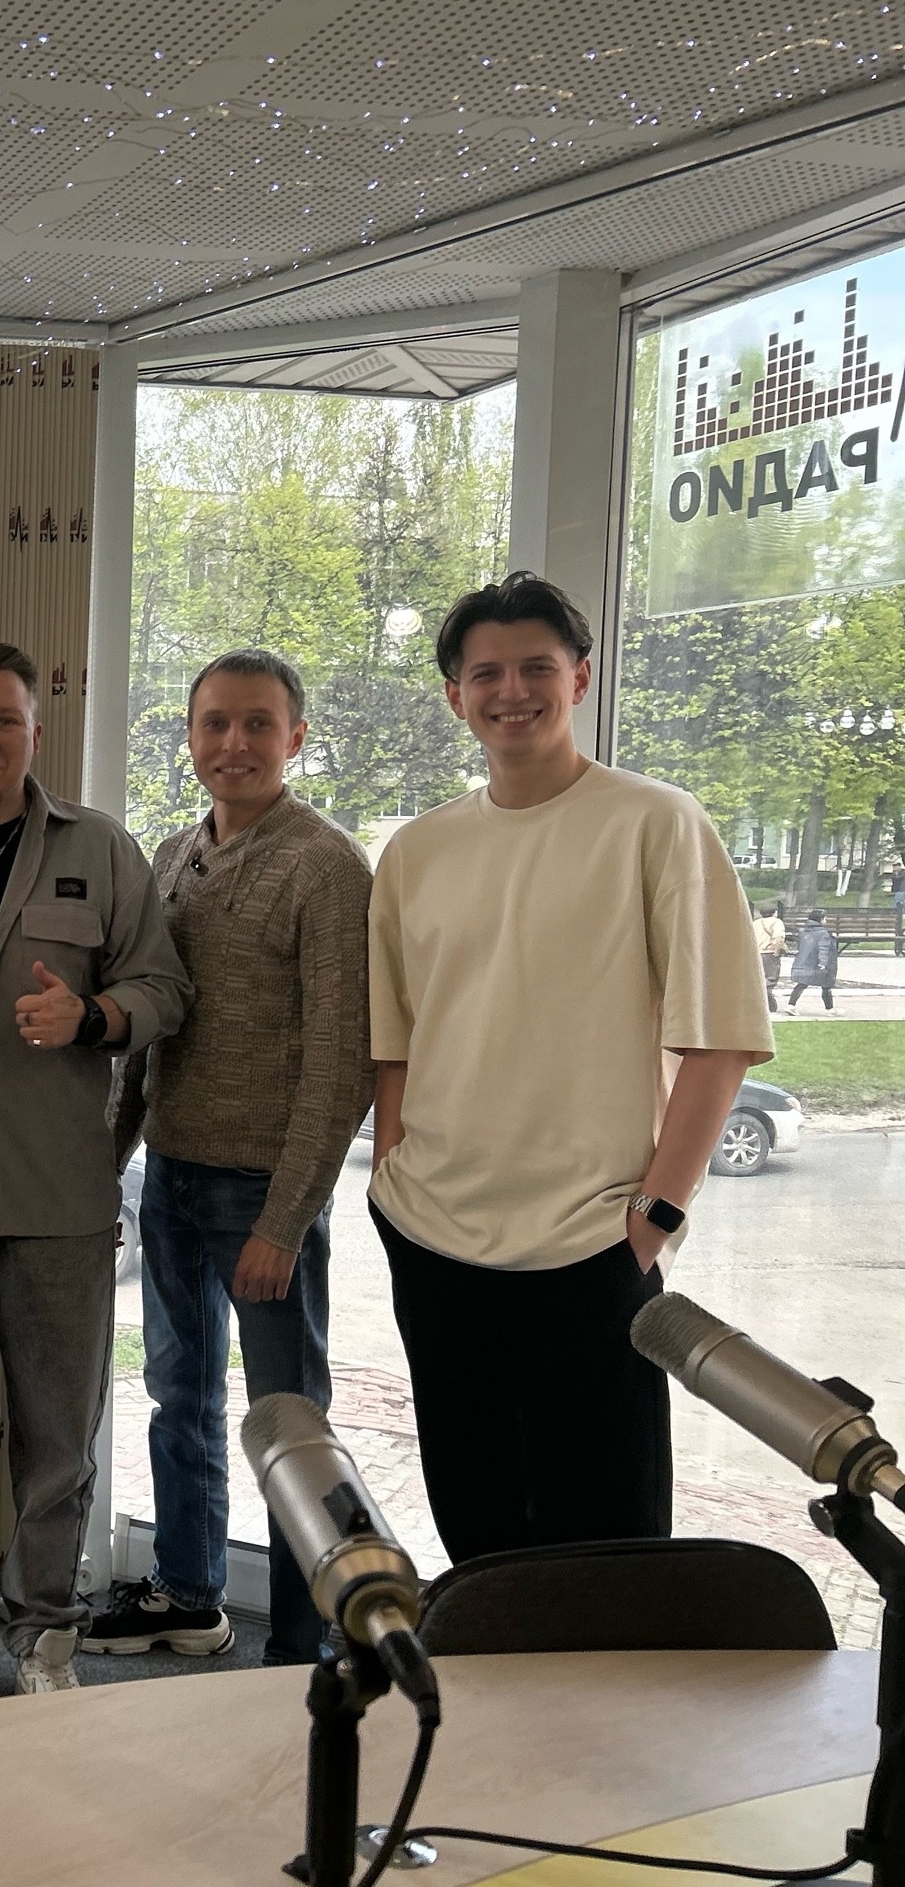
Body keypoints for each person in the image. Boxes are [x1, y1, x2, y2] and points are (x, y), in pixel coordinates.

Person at [369, 572, 772, 1565]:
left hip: (591, 1240)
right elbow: (396, 1042)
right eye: (485, 674)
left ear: (580, 678)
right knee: (476, 1523)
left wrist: (658, 1212)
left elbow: (720, 1037)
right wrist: (390, 1177)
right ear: (454, 695)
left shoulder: (655, 823)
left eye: (536, 668)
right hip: (433, 1231)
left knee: (607, 1540)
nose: (512, 692)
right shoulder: (416, 850)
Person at [0, 640, 192, 1706]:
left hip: (56, 1195)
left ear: (35, 732)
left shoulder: (99, 849)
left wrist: (92, 1016)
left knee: (59, 1438)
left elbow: (164, 988)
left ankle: (45, 1639)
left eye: (3, 721)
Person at [94, 651, 372, 1669]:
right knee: (180, 1400)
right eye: (214, 723)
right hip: (170, 1179)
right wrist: (106, 1162)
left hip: (261, 1195)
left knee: (291, 1425)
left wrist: (284, 1222)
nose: (234, 743)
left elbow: (341, 1062)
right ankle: (188, 1593)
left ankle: (306, 1640)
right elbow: (152, 1027)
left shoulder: (326, 867)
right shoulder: (174, 855)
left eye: (257, 723)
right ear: (190, 736)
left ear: (295, 737)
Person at [788, 907, 839, 1013]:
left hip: (803, 962)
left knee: (802, 983)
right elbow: (823, 948)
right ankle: (830, 1008)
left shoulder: (803, 931)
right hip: (817, 963)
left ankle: (791, 1005)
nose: (826, 921)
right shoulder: (823, 933)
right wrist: (823, 962)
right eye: (824, 918)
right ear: (820, 920)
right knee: (826, 985)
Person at [755, 901, 788, 1013]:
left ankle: (764, 1003)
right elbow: (779, 937)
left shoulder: (756, 923)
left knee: (759, 977)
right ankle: (768, 1003)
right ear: (774, 912)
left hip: (757, 952)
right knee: (771, 978)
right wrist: (777, 950)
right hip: (770, 952)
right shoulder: (777, 922)